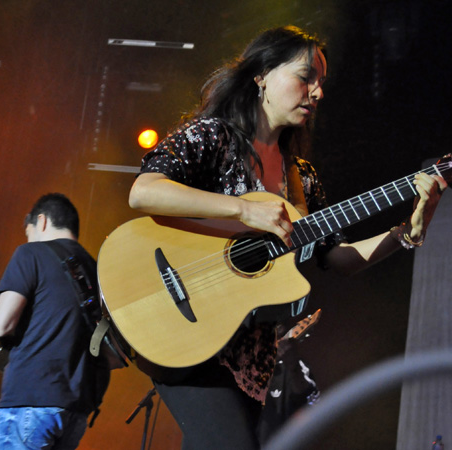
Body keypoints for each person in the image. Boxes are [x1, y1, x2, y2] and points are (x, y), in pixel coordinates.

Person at [128, 25, 447, 449]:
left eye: (321, 84)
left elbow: (340, 258)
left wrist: (407, 230)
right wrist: (244, 208)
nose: (316, 92)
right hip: (189, 325)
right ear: (261, 74)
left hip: (252, 362)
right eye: (305, 77)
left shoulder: (303, 180)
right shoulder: (214, 137)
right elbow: (144, 191)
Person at [0, 193, 110, 450]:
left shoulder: (32, 253)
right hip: (76, 409)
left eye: (29, 233)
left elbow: (1, 324)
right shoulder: (96, 271)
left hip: (30, 403)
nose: (27, 240)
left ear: (42, 221)